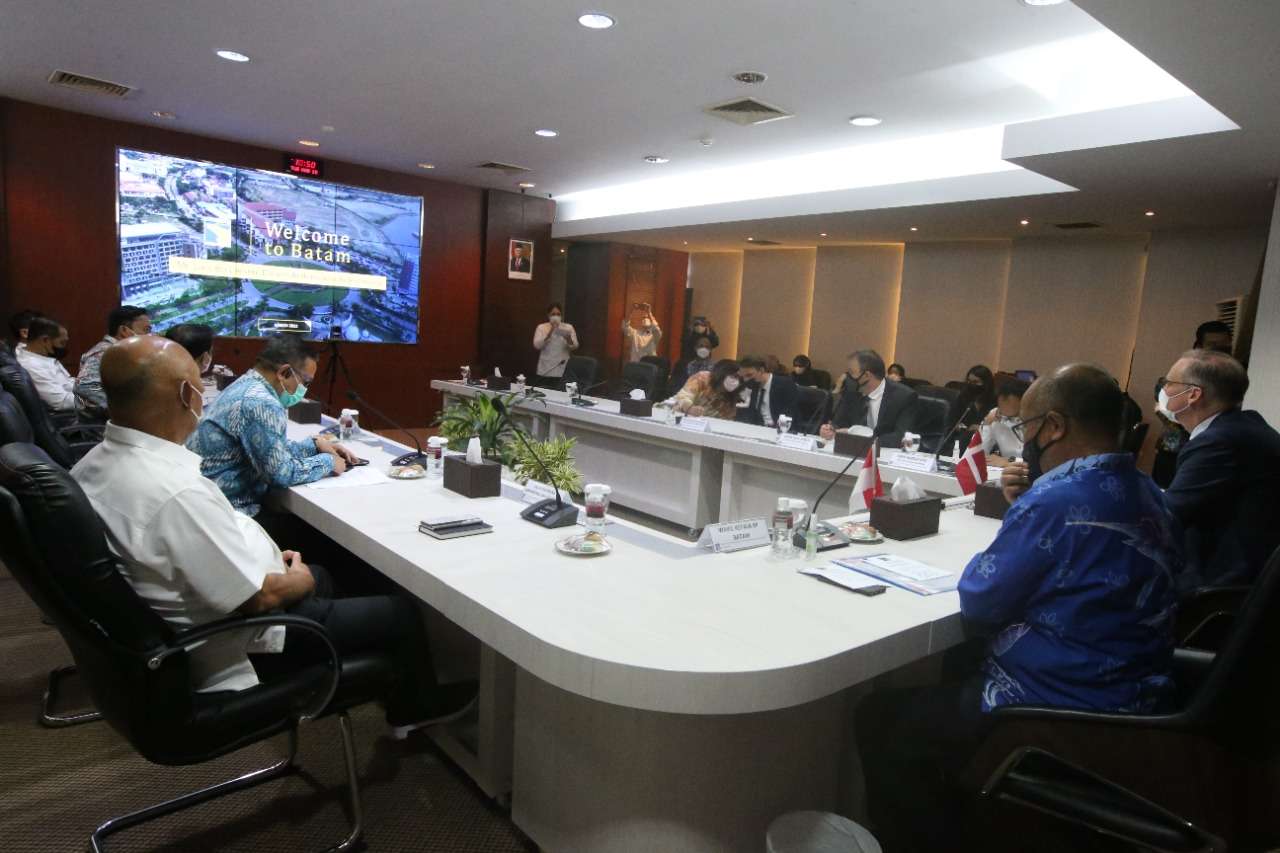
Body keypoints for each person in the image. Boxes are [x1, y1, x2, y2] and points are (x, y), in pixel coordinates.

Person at [71, 335, 474, 733]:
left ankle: (378, 670)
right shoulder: (174, 493)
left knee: (329, 571)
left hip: (201, 609)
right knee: (396, 611)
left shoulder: (90, 466)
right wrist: (300, 580)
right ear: (186, 394)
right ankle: (412, 704)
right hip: (242, 635)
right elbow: (260, 598)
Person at [857, 364, 1182, 853]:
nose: (1024, 442)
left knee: (880, 718)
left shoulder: (1055, 499)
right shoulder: (1152, 493)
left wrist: (1028, 512)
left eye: (1027, 428)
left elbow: (980, 601)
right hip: (1139, 702)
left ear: (1054, 426)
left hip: (1058, 708)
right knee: (957, 666)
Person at [188, 335, 359, 527]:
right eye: (305, 382)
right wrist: (328, 462)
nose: (304, 390)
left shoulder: (246, 385)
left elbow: (267, 447)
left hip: (204, 507)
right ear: (284, 373)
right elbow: (280, 474)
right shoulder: (261, 402)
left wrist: (314, 445)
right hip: (227, 518)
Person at [1159, 348, 1280, 588]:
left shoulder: (1218, 442)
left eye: (1168, 382)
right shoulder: (1244, 425)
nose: (1162, 390)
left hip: (1221, 584)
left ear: (1193, 394)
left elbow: (1168, 516)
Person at [1152, 320, 1235, 486]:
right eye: (1213, 347)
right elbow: (1162, 399)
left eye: (1225, 348)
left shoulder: (1234, 379)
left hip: (1212, 457)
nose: (1219, 353)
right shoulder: (1183, 372)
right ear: (1198, 347)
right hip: (1174, 453)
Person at [820, 350, 918, 448]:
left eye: (851, 373)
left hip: (884, 452)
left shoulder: (904, 397)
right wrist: (830, 431)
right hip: (850, 451)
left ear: (866, 375)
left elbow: (902, 436)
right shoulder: (851, 392)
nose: (846, 377)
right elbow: (838, 424)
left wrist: (864, 439)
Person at [73, 305, 152, 422]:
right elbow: (85, 387)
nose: (149, 336)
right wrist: (127, 412)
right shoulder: (104, 352)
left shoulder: (121, 351)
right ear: (124, 330)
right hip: (103, 426)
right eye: (146, 330)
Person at [15, 315, 75, 415]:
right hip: (66, 416)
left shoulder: (42, 356)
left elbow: (67, 383)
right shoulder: (31, 366)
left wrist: (91, 388)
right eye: (62, 343)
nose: (63, 348)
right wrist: (95, 399)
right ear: (45, 340)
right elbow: (61, 402)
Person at [737, 355, 800, 430]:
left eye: (749, 375)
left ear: (761, 370)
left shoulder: (785, 384)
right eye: (743, 376)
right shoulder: (752, 386)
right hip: (757, 428)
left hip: (778, 429)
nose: (745, 380)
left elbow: (789, 414)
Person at [673, 358, 742, 420]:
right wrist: (690, 408)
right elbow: (683, 396)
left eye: (739, 378)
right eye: (733, 377)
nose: (736, 382)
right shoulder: (703, 378)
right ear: (721, 373)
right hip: (681, 418)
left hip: (707, 425)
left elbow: (728, 420)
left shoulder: (732, 396)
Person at [979, 378, 1028, 463]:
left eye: (1008, 400)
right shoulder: (995, 415)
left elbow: (1037, 462)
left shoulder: (1035, 418)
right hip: (1005, 469)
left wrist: (1009, 461)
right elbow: (979, 453)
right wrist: (986, 424)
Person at [532, 303, 579, 386]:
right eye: (553, 314)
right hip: (546, 368)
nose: (556, 316)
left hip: (562, 368)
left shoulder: (568, 327)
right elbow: (537, 346)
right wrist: (549, 333)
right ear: (548, 315)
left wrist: (568, 339)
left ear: (561, 316)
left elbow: (575, 346)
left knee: (560, 391)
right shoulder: (541, 327)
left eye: (558, 314)